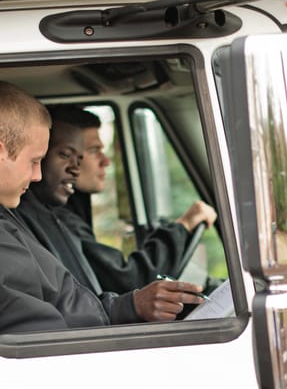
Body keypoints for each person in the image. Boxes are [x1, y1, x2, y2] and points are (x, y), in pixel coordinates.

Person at [0, 81, 204, 334]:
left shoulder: (2, 220)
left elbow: (67, 306)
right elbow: (45, 340)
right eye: (34, 161)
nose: (37, 176)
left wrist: (127, 307)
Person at [37, 105, 218, 294]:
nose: (106, 161)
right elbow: (131, 279)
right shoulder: (58, 220)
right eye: (93, 150)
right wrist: (184, 226)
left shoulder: (68, 214)